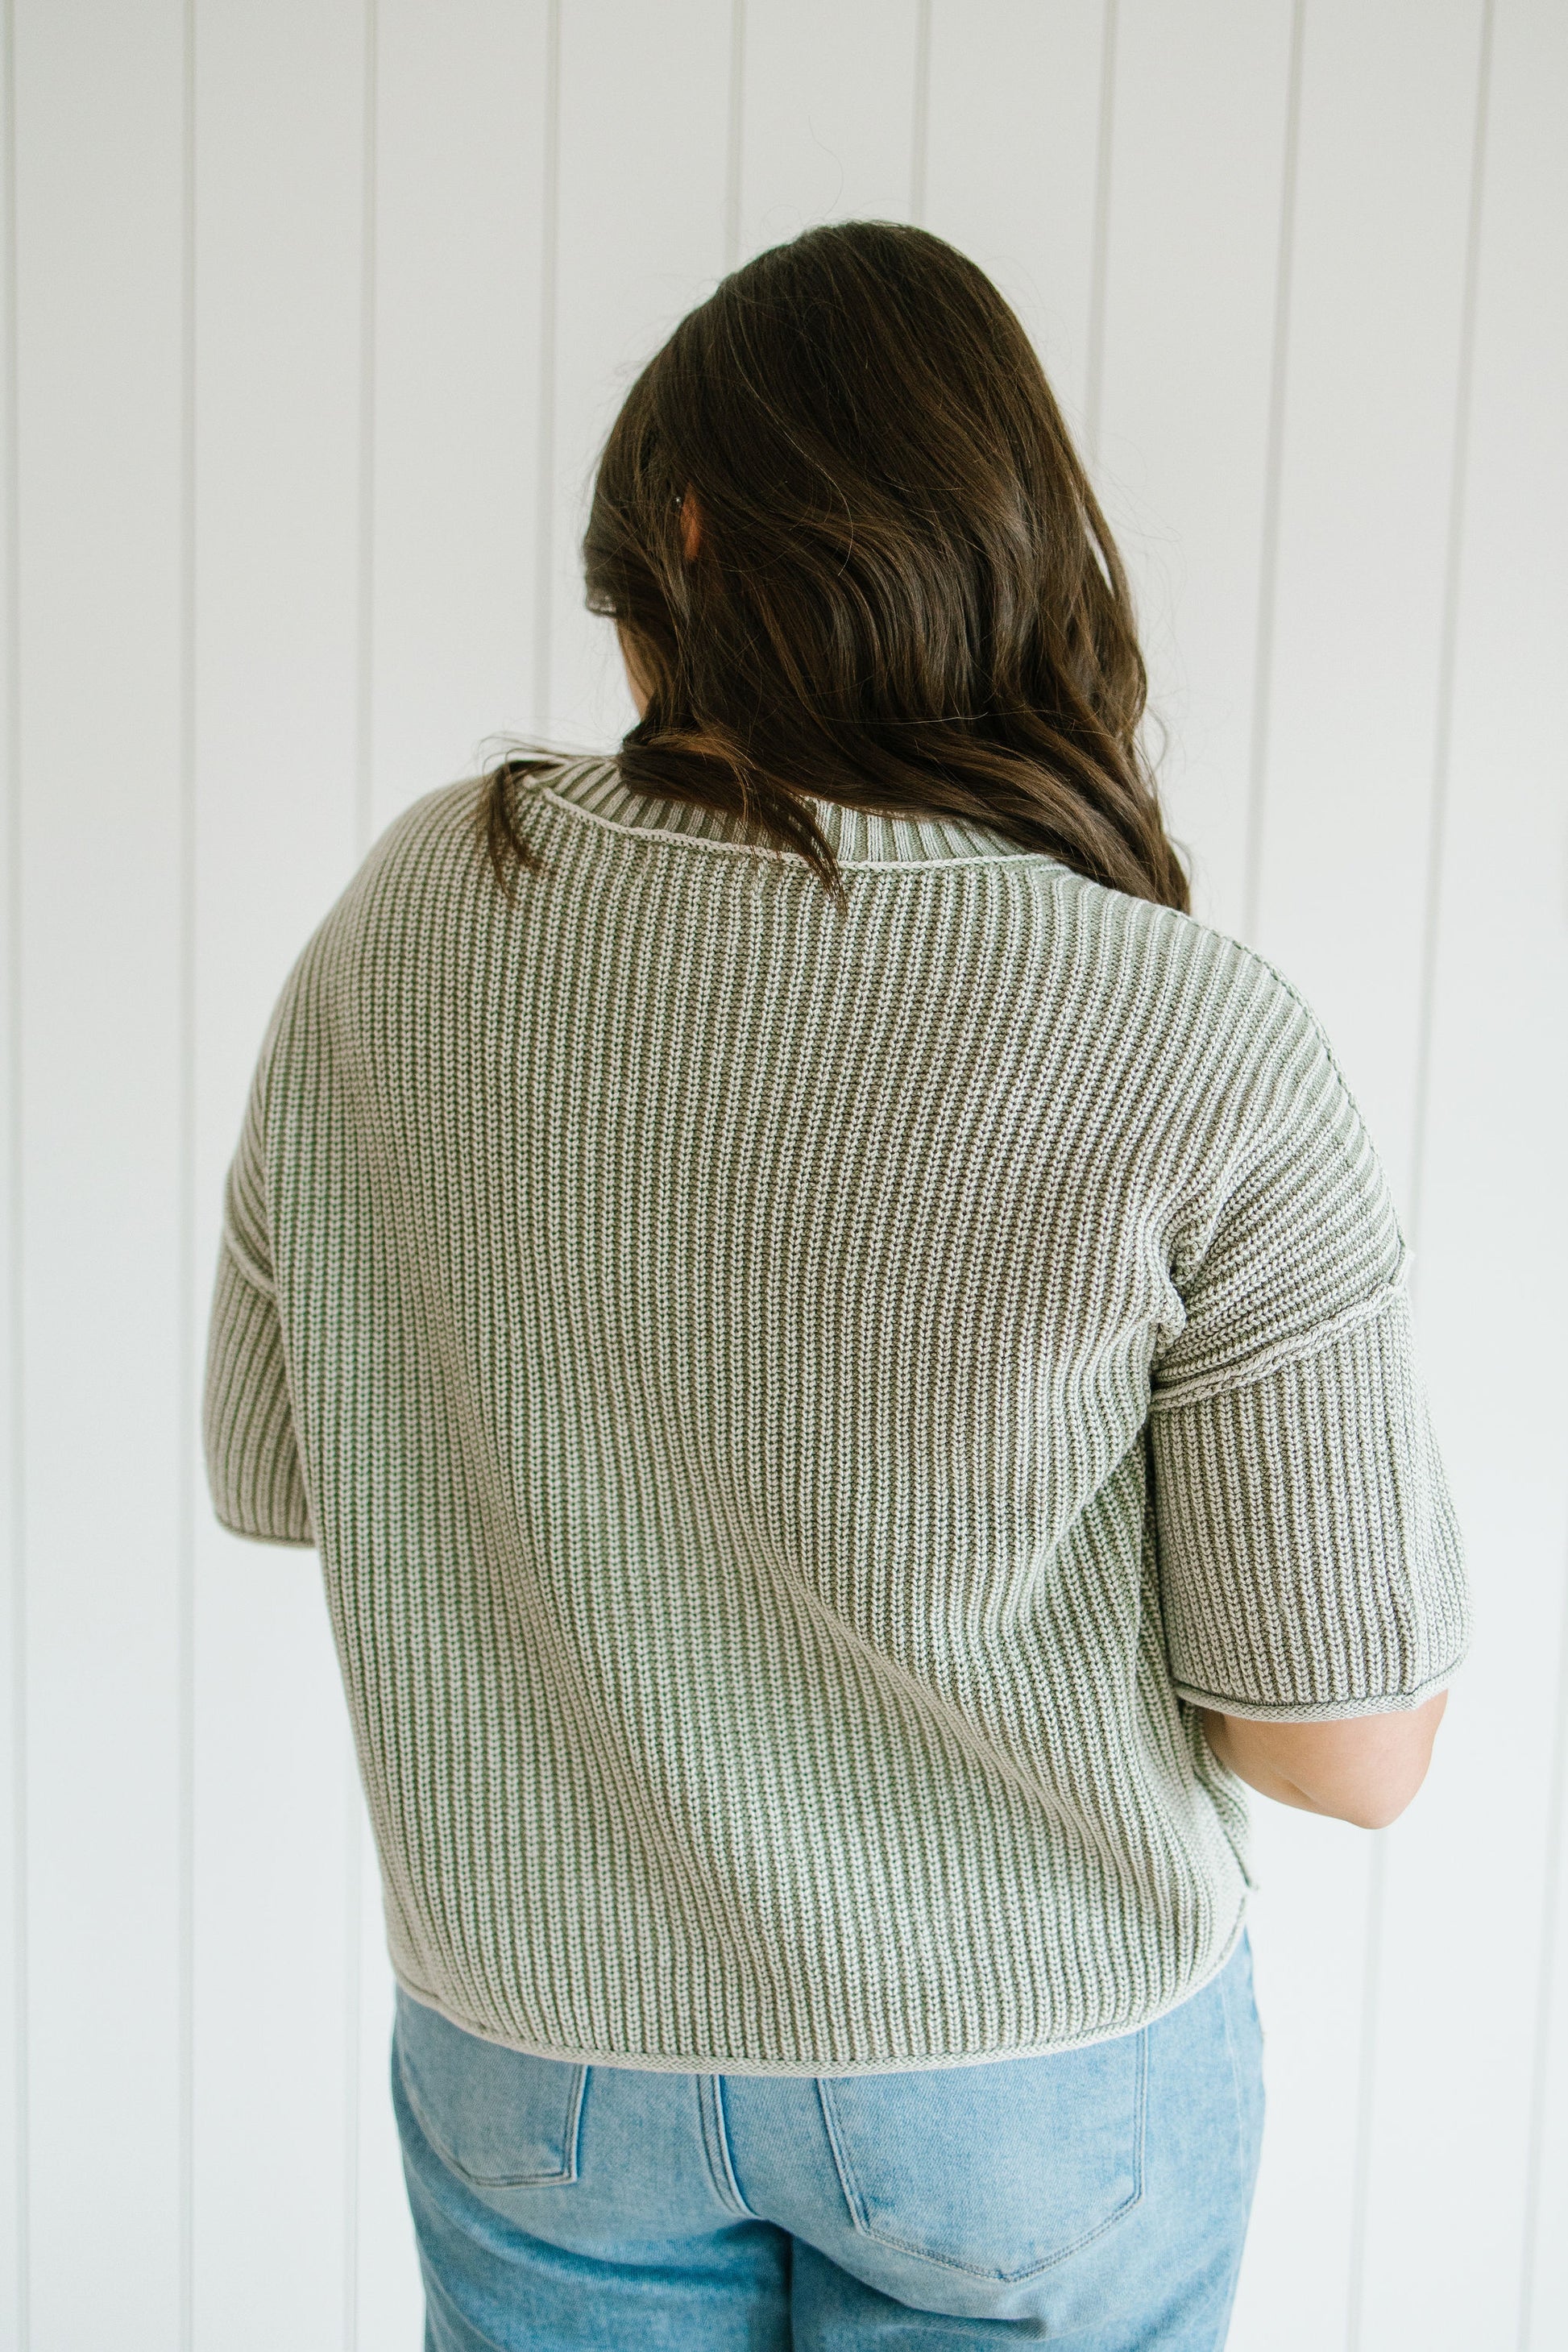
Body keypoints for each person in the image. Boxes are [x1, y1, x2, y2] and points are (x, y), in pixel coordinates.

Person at [202, 221, 1467, 2350]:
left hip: (542, 2051)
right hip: (1025, 2086)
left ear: (684, 554)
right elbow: (1346, 1748)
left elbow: (276, 1470)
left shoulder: (410, 917)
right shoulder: (1192, 1038)